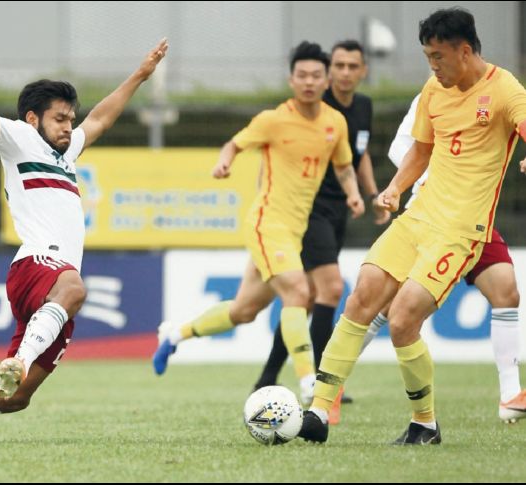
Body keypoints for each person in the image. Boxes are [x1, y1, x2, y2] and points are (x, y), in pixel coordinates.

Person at [0, 39, 169, 442]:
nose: (67, 126)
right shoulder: (18, 140)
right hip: (37, 266)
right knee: (76, 288)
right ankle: (20, 361)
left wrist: (141, 75)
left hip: (53, 292)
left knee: (15, 399)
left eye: (70, 118)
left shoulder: (68, 151)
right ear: (32, 118)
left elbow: (103, 118)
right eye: (59, 118)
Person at [298, 7, 526, 446]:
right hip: (419, 217)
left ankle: (425, 423)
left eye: (438, 57)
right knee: (362, 295)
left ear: (464, 50)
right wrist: (395, 188)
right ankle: (318, 413)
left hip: (461, 232)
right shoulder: (433, 90)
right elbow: (421, 150)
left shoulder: (504, 90)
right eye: (427, 57)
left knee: (402, 321)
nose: (432, 66)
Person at [152, 41, 365, 401]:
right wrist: (225, 162)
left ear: (326, 80)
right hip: (267, 224)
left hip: (293, 233)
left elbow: (344, 166)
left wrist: (354, 193)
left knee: (244, 310)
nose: (309, 82)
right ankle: (308, 381)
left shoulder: (335, 123)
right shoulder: (273, 120)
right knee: (301, 292)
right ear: (291, 79)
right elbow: (233, 144)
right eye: (302, 75)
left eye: (316, 75)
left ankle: (175, 334)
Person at [359, 94, 526, 424]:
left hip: (474, 218)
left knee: (506, 292)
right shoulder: (431, 95)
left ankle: (510, 395)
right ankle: (330, 384)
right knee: (391, 310)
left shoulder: (497, 93)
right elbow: (402, 149)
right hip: (432, 215)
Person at [253, 41, 390, 419]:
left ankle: (267, 376)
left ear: (363, 71)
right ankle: (323, 384)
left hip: (337, 213)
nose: (345, 72)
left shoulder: (362, 108)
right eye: (340, 65)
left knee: (308, 298)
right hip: (307, 210)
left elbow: (354, 158)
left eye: (352, 66)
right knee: (330, 288)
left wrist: (371, 194)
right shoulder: (313, 105)